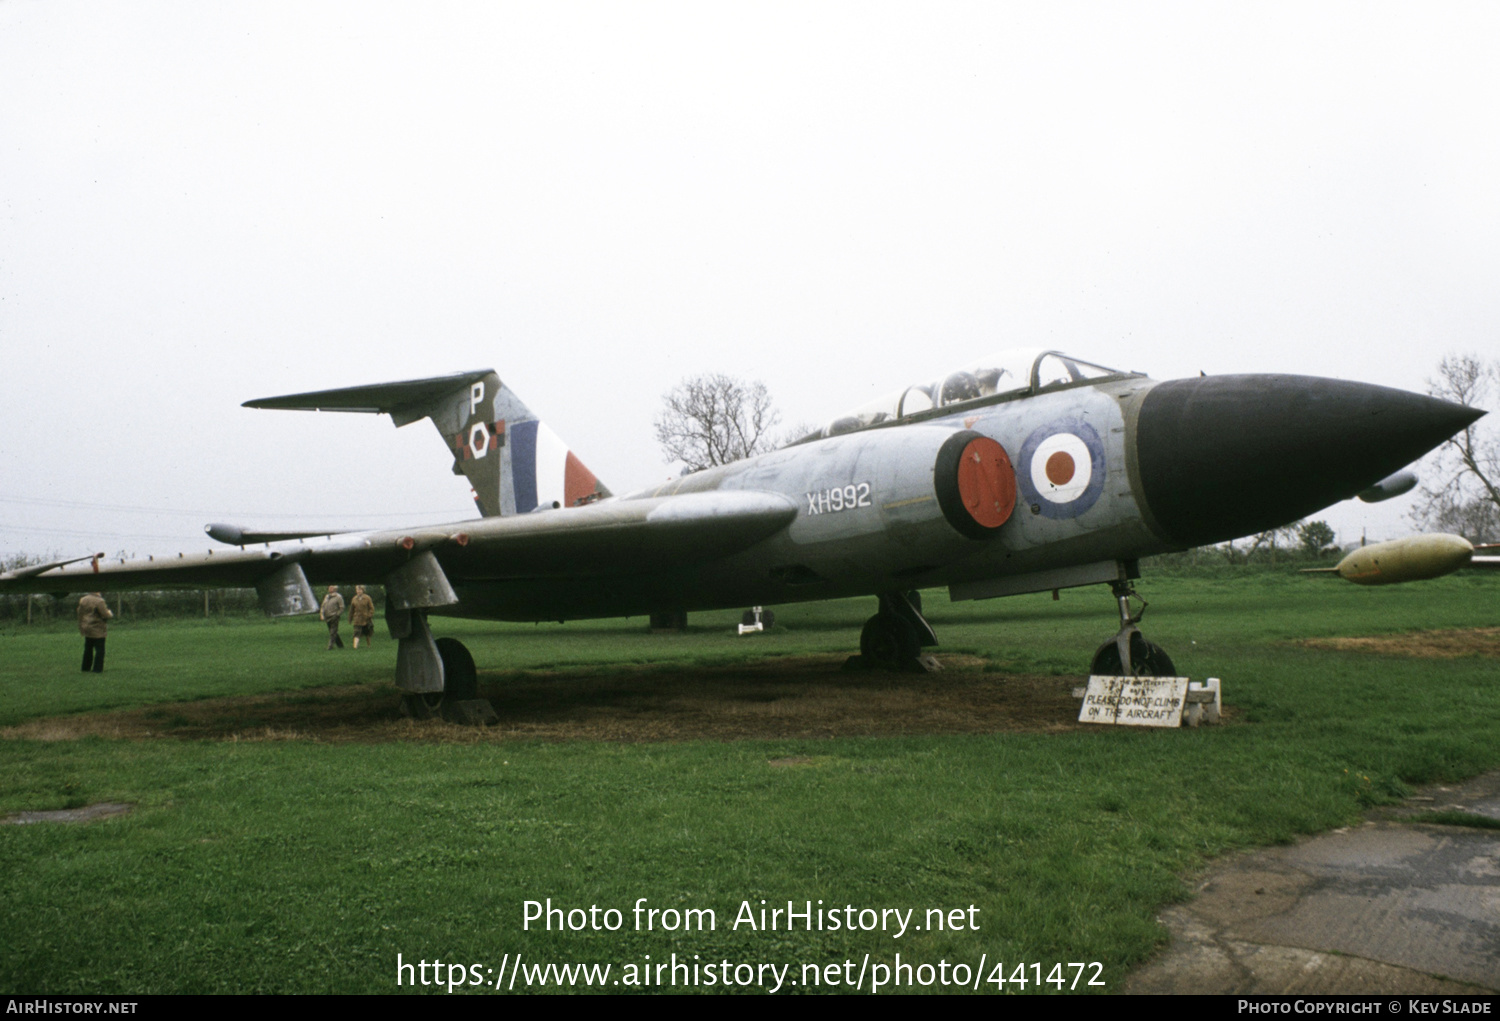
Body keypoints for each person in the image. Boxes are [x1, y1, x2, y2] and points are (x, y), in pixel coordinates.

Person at [77, 591, 113, 673]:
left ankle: (85, 668)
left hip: (86, 626)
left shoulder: (83, 599)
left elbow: (79, 613)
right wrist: (110, 613)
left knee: (88, 649)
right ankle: (97, 669)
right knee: (100, 650)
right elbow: (105, 614)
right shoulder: (99, 601)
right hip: (97, 628)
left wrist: (81, 626)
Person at [349, 585, 375, 649]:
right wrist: (350, 618)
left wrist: (369, 615)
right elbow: (351, 610)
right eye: (357, 590)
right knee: (356, 632)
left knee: (367, 633)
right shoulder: (354, 599)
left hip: (366, 619)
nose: (358, 591)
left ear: (363, 590)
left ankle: (368, 645)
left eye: (360, 590)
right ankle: (355, 647)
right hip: (357, 619)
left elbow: (371, 608)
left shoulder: (367, 598)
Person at [320, 585, 345, 650]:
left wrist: (337, 615)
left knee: (333, 632)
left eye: (331, 587)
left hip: (334, 616)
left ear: (335, 588)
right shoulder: (327, 597)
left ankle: (330, 646)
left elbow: (342, 607)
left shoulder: (338, 597)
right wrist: (322, 614)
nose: (330, 588)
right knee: (333, 632)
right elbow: (323, 606)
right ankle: (340, 645)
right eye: (329, 587)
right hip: (327, 617)